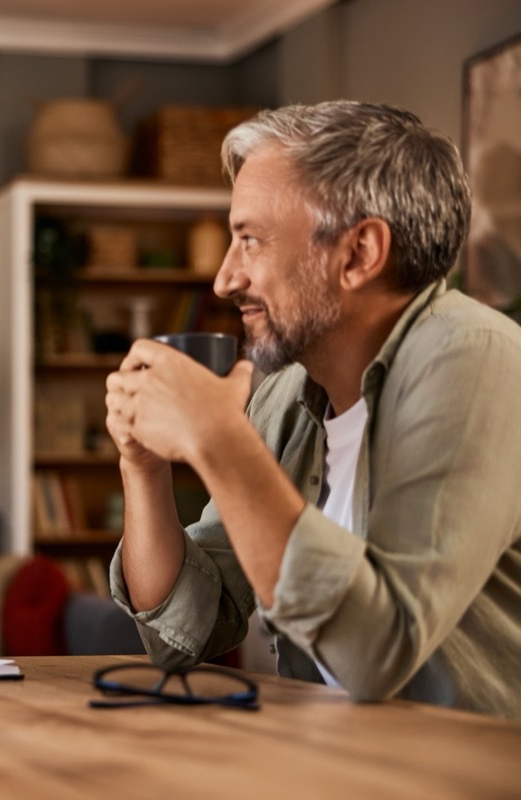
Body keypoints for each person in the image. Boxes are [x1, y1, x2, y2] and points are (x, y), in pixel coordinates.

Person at [104, 101, 521, 718]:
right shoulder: (286, 392)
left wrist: (220, 442)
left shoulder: (476, 359)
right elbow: (183, 632)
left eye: (249, 240)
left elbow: (380, 648)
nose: (224, 279)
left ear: (359, 254)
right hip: (334, 760)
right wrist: (142, 464)